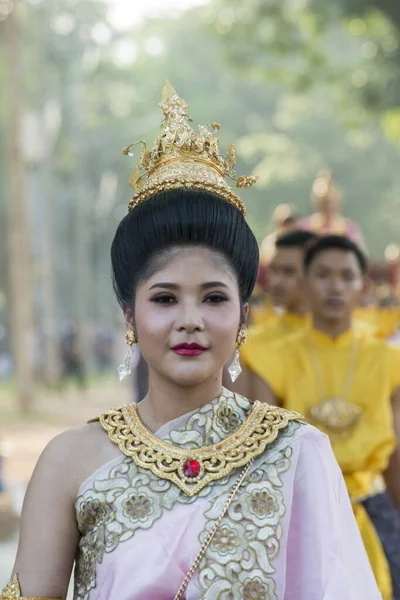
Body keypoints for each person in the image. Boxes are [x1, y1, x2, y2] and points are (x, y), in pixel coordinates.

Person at [2, 83, 380, 600]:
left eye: (212, 299)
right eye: (164, 299)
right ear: (129, 314)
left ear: (243, 316)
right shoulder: (69, 460)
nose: (190, 320)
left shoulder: (297, 451)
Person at [242, 235, 400, 599]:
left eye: (347, 277)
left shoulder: (388, 361)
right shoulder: (271, 358)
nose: (335, 286)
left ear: (362, 286)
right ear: (305, 283)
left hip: (373, 510)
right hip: (302, 508)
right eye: (324, 275)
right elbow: (265, 453)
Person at [232, 230, 316, 399]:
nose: (276, 281)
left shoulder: (353, 338)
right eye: (274, 270)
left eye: (288, 272)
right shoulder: (252, 344)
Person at [300, 169, 366, 250]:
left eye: (331, 202)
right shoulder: (305, 228)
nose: (328, 207)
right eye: (324, 202)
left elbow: (359, 254)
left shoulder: (349, 229)